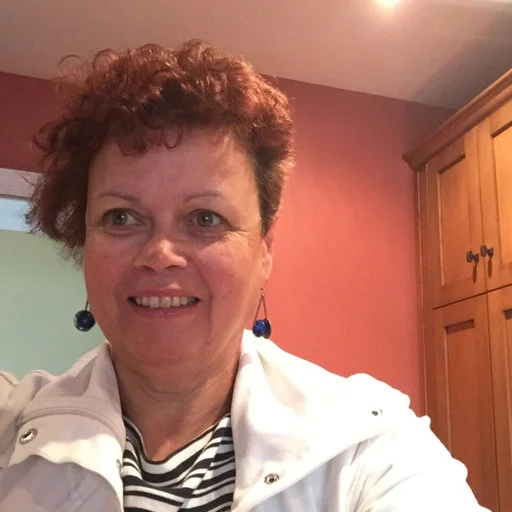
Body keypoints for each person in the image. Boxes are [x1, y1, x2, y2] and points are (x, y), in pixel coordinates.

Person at [0, 40, 488, 512]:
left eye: (205, 218)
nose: (160, 255)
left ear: (264, 250)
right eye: (122, 217)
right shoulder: (10, 431)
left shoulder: (367, 445)